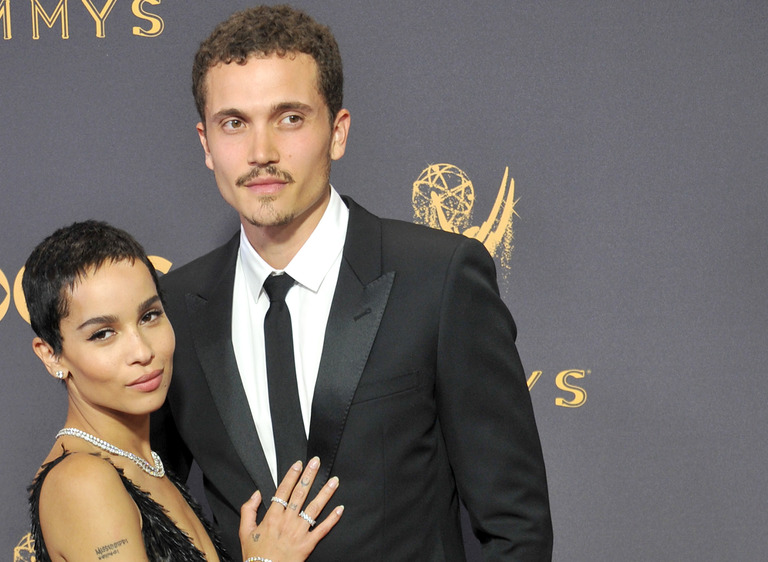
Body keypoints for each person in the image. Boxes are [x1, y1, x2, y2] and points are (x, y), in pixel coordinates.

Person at [154, 5, 553, 561]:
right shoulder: (173, 306)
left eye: (290, 117)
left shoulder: (438, 279)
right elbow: (152, 515)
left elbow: (516, 528)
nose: (261, 151)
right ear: (205, 143)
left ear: (337, 132)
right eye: (234, 122)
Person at [22, 220, 343, 562]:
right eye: (103, 334)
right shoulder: (83, 482)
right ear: (51, 355)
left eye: (149, 316)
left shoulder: (145, 465)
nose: (142, 351)